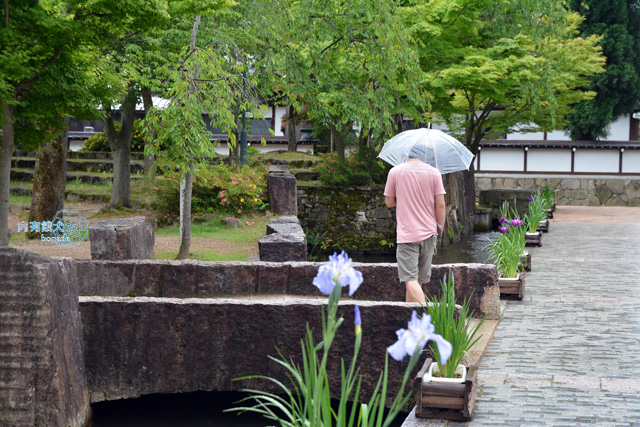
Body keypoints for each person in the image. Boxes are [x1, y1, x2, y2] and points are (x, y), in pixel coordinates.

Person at [383, 143, 446, 304]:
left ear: (405, 153)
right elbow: (440, 204)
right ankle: (412, 322)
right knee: (418, 281)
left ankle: (428, 316)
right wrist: (440, 228)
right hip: (429, 233)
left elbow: (389, 202)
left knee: (409, 280)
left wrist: (404, 199)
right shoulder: (434, 173)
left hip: (407, 234)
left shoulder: (395, 171)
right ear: (424, 155)